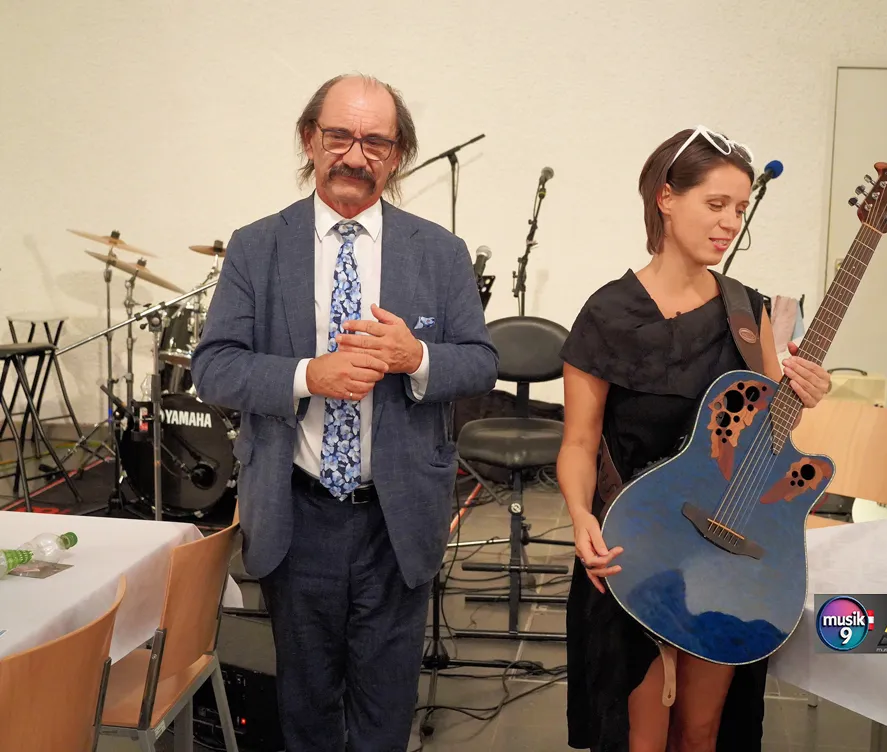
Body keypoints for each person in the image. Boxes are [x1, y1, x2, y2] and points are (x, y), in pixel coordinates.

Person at [191, 74, 499, 752]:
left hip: (398, 518)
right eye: (339, 137)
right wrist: (309, 375)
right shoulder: (257, 247)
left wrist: (417, 357)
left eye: (376, 142)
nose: (355, 156)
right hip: (297, 513)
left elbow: (481, 363)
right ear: (310, 140)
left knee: (386, 710)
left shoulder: (439, 252)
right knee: (306, 708)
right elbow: (212, 369)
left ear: (398, 155)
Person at [556, 126, 832, 752]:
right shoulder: (607, 315)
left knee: (704, 732)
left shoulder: (747, 312)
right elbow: (578, 443)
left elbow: (765, 441)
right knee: (639, 738)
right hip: (632, 547)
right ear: (666, 198)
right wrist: (579, 517)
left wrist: (802, 395)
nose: (730, 222)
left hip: (724, 551)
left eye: (740, 208)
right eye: (716, 204)